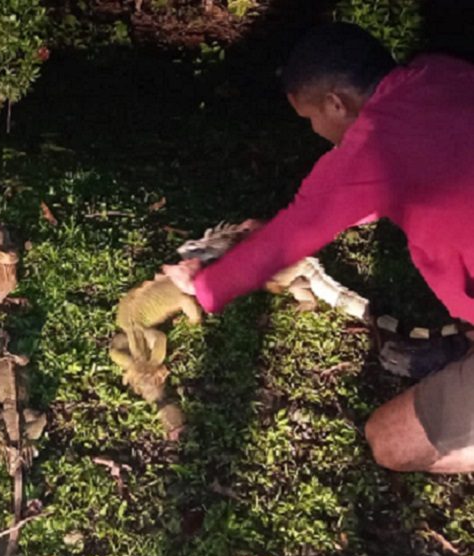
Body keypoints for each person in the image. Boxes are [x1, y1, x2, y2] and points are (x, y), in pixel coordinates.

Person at [163, 22, 474, 473]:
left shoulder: (373, 144)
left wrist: (204, 284)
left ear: (335, 102)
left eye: (310, 119)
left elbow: (291, 236)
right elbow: (390, 183)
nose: (314, 130)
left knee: (388, 441)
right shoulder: (440, 74)